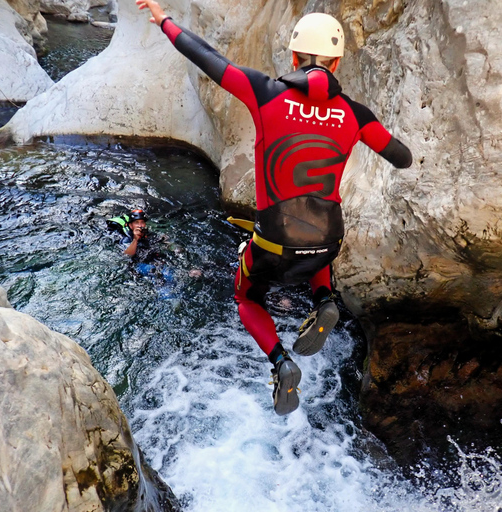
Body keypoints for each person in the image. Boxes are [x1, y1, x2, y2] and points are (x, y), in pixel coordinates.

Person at [136, 1, 413, 415]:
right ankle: (324, 301)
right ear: (336, 62)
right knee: (317, 244)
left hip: (276, 238)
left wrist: (165, 21)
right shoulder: (355, 114)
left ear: (293, 56)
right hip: (329, 237)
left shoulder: (264, 91)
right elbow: (402, 157)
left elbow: (207, 58)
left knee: (247, 297)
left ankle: (281, 363)